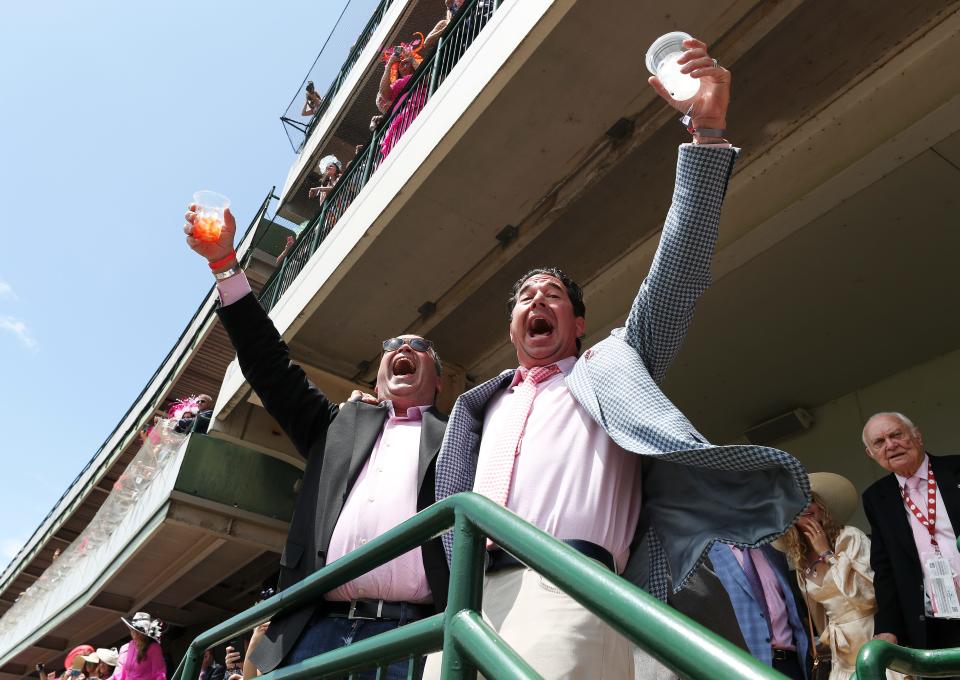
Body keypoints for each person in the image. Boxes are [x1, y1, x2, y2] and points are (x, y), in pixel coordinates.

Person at [425, 37, 809, 680]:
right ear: (515, 324)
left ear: (577, 324)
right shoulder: (477, 406)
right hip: (468, 600)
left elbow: (678, 268)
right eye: (524, 296)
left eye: (552, 296)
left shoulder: (615, 363)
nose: (536, 301)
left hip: (569, 591)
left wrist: (706, 135)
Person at [183, 207, 451, 680]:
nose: (405, 349)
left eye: (419, 346)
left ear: (440, 381)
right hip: (313, 634)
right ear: (378, 375)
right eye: (393, 345)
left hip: (414, 638)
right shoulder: (338, 428)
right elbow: (269, 366)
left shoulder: (459, 439)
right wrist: (225, 264)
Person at [777, 473, 906, 680]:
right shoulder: (800, 561)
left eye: (809, 501)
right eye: (797, 508)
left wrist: (827, 554)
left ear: (820, 507)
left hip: (872, 633)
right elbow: (819, 619)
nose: (806, 509)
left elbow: (868, 596)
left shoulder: (849, 537)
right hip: (841, 652)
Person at [862, 412, 960, 651]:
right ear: (871, 454)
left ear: (917, 436)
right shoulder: (876, 498)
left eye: (896, 435)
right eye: (879, 442)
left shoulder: (957, 468)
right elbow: (885, 568)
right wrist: (887, 627)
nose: (891, 445)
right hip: (937, 620)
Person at [709, 540, 810, 679]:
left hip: (791, 662)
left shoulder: (771, 546)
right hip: (747, 669)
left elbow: (790, 603)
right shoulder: (708, 557)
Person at [376, 23, 447, 158]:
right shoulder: (400, 84)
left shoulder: (420, 74)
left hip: (419, 115)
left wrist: (412, 58)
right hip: (401, 124)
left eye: (405, 61)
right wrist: (389, 64)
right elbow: (384, 93)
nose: (403, 64)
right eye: (400, 64)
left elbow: (428, 77)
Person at [114, 612, 165, 680]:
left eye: (139, 633)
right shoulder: (125, 648)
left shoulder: (154, 648)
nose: (135, 635)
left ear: (145, 634)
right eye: (133, 631)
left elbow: (159, 674)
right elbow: (118, 675)